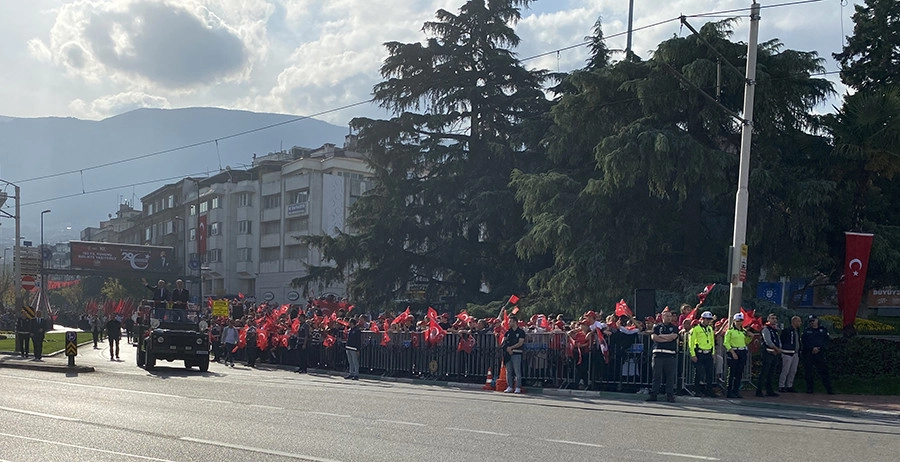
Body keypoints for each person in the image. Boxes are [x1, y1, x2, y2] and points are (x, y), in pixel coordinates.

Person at [647, 310, 679, 402]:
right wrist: (667, 338)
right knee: (656, 375)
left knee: (670, 376)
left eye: (670, 316)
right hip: (658, 354)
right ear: (662, 317)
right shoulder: (657, 327)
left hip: (670, 355)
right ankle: (654, 394)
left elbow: (673, 337)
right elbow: (654, 337)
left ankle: (669, 395)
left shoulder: (674, 327)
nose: (669, 318)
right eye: (667, 316)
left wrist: (661, 336)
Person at [724, 313, 754, 399]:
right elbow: (726, 342)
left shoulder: (743, 331)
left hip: (742, 351)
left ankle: (736, 391)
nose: (739, 323)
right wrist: (733, 352)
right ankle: (729, 391)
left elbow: (746, 342)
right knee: (732, 373)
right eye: (737, 321)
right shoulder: (730, 331)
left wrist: (750, 337)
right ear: (734, 321)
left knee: (739, 373)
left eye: (741, 321)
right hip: (734, 351)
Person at [802, 315, 834, 394]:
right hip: (809, 354)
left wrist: (819, 348)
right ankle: (809, 388)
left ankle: (829, 389)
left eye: (813, 320)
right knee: (808, 372)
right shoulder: (806, 331)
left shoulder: (823, 330)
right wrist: (812, 348)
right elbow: (804, 342)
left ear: (817, 320)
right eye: (810, 321)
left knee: (824, 371)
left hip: (820, 353)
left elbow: (826, 341)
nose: (812, 322)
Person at [689, 311, 716, 397]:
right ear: (702, 319)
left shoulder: (710, 329)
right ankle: (696, 390)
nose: (708, 321)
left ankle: (709, 390)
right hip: (699, 353)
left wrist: (713, 352)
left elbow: (712, 341)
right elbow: (691, 343)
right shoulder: (695, 329)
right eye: (707, 319)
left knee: (709, 373)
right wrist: (693, 354)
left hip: (708, 353)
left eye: (709, 319)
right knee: (698, 372)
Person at [756, 313, 782, 397]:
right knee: (764, 372)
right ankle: (759, 390)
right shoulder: (766, 329)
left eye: (775, 318)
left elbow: (778, 340)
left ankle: (769, 390)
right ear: (768, 319)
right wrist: (776, 348)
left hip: (775, 353)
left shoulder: (775, 330)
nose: (774, 320)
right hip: (768, 352)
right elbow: (768, 341)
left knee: (771, 372)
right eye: (772, 318)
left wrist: (779, 348)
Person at [501, 315, 527, 393]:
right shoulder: (508, 332)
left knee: (517, 371)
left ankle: (518, 387)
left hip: (517, 353)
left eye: (510, 321)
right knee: (508, 371)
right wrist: (507, 348)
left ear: (515, 322)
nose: (509, 323)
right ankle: (510, 386)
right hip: (508, 353)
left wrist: (511, 348)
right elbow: (503, 341)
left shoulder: (521, 332)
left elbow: (520, 342)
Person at [779, 316, 802, 392]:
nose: (800, 323)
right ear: (794, 321)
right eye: (798, 321)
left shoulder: (797, 331)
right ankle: (781, 385)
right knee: (785, 370)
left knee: (793, 370)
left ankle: (789, 385)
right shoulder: (787, 330)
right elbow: (782, 339)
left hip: (795, 353)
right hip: (787, 353)